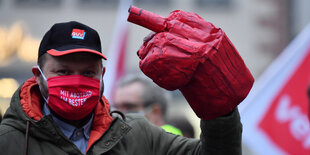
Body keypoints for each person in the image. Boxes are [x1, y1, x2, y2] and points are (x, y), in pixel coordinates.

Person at [0, 21, 246, 155]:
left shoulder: (137, 135)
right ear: (38, 75)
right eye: (63, 71)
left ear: (102, 75)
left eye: (88, 72)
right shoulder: (8, 141)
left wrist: (217, 105)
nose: (76, 81)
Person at [113, 73, 183, 136]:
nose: (119, 114)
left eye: (129, 107)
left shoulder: (165, 144)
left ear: (155, 112)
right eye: (116, 107)